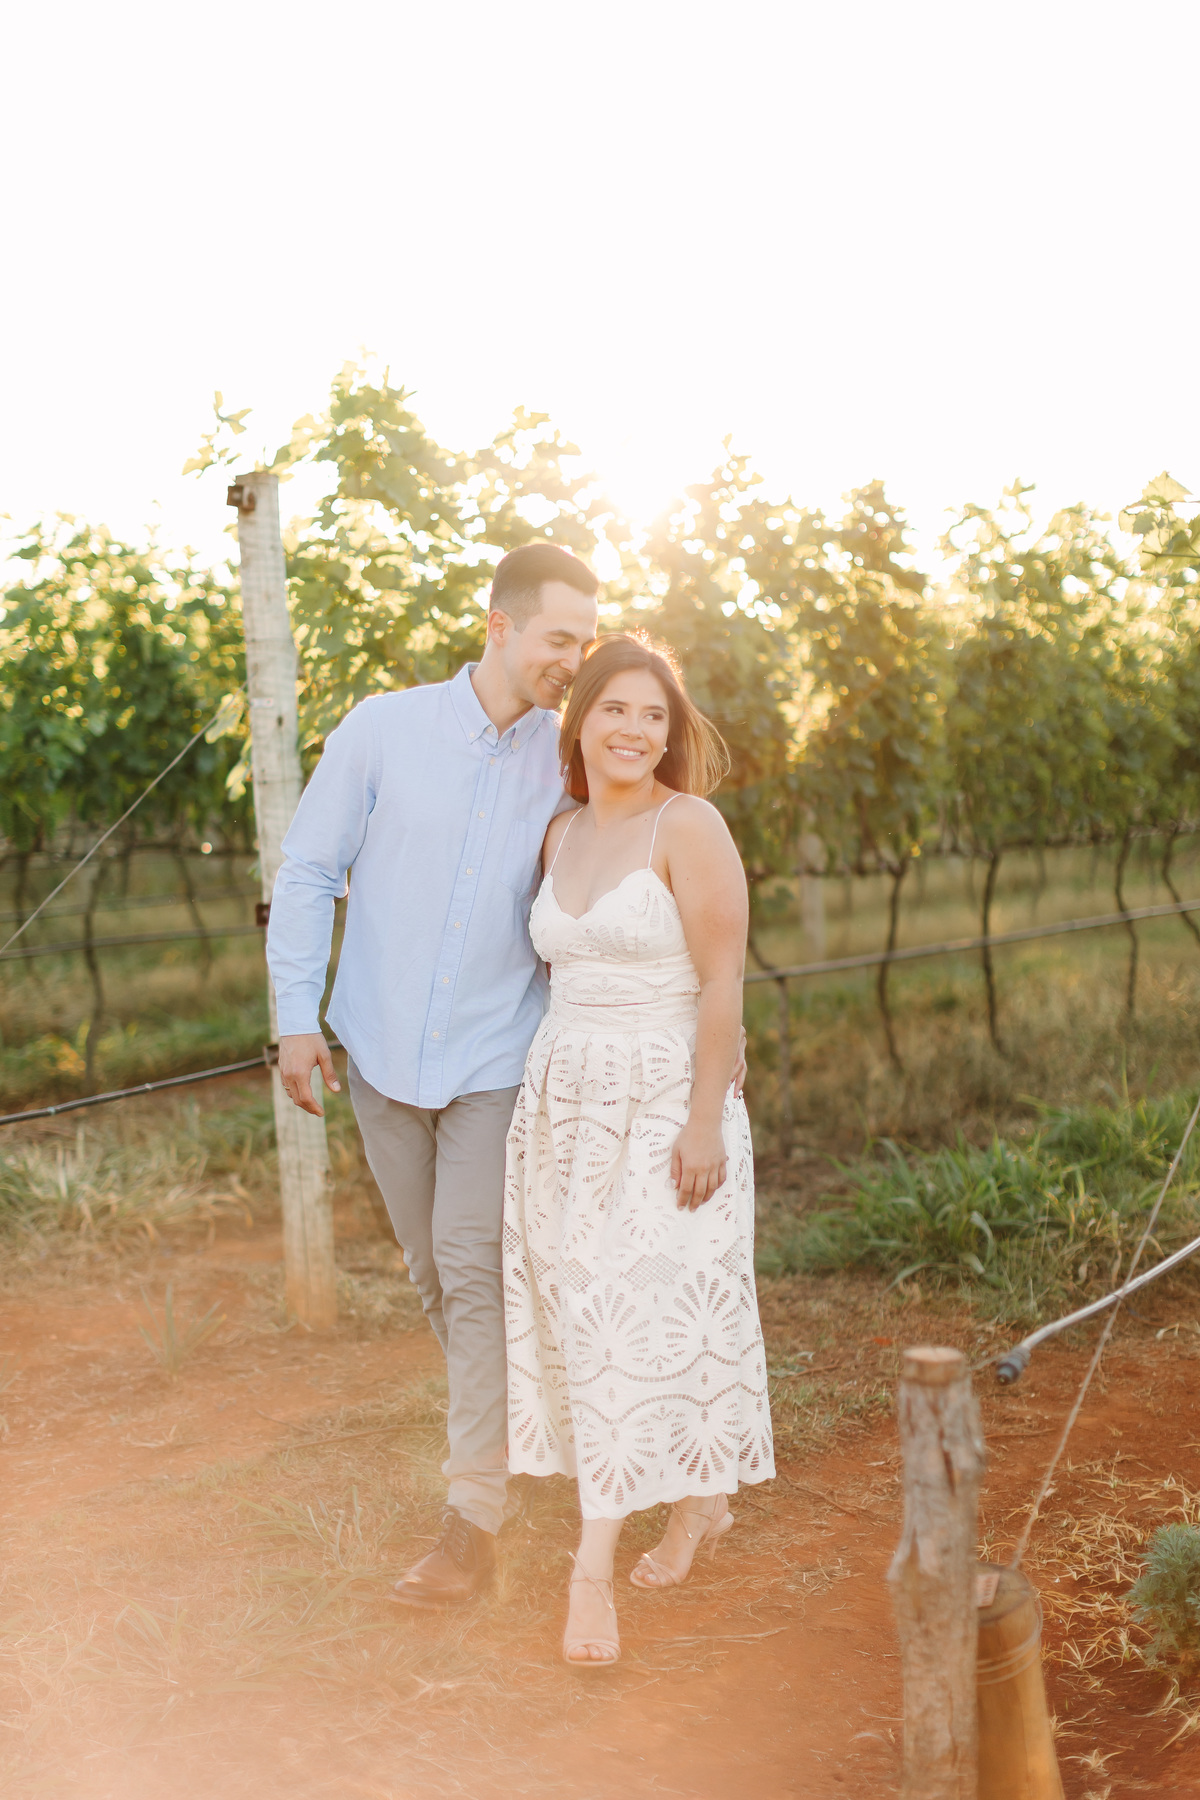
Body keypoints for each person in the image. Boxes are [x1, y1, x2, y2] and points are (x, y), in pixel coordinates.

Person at [267, 541, 601, 1607]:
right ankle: (517, 1424)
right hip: (379, 1052)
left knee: (469, 1267)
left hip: (497, 1055)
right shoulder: (382, 730)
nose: (572, 662)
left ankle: (474, 1523)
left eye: (584, 645)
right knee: (433, 1275)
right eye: (560, 640)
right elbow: (311, 870)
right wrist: (296, 1021)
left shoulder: (570, 759)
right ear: (499, 625)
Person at [502, 632, 775, 1668]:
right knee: (591, 1315)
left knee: (635, 1315)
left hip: (666, 1104)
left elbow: (721, 982)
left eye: (653, 715)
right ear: (584, 725)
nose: (633, 729)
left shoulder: (688, 823)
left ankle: (589, 1572)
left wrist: (705, 1116)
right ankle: (701, 1500)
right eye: (615, 709)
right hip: (565, 1104)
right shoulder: (556, 835)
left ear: (671, 731)